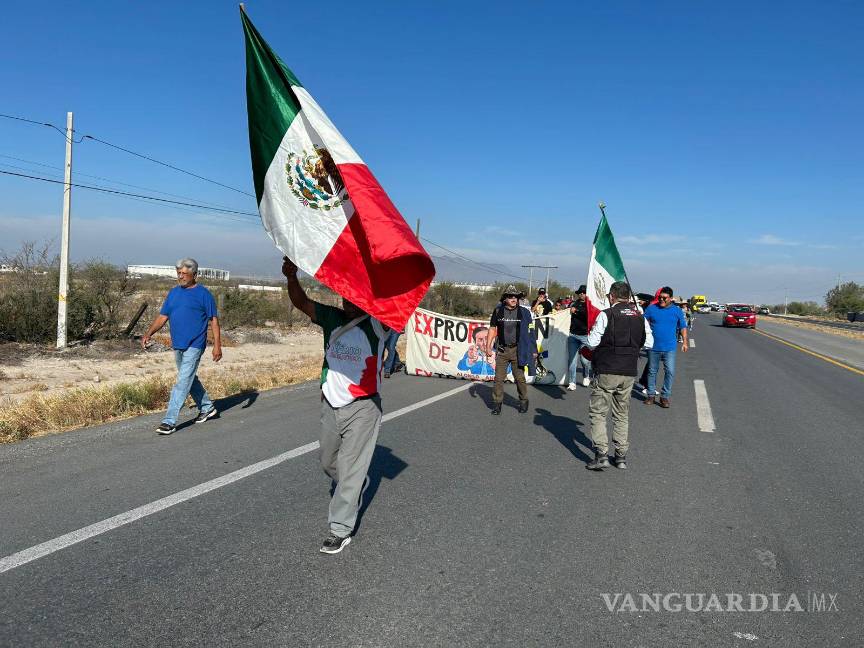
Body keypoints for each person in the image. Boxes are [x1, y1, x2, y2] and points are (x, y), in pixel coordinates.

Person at [281, 256, 388, 555]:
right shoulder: (331, 318)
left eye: (356, 297)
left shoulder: (378, 324)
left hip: (363, 407)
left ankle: (339, 529)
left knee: (351, 467)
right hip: (331, 403)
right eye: (346, 295)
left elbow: (394, 309)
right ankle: (353, 486)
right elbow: (302, 302)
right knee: (329, 461)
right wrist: (291, 277)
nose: (349, 301)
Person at [142, 258, 222, 435]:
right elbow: (163, 317)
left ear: (195, 275)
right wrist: (149, 333)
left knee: (182, 382)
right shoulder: (173, 293)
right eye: (179, 273)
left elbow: (214, 321)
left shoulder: (204, 294)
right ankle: (207, 407)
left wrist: (217, 346)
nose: (181, 276)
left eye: (185, 273)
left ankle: (169, 421)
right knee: (189, 378)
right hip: (178, 343)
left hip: (195, 344)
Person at [584, 281, 653, 470]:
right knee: (621, 414)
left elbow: (592, 342)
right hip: (629, 372)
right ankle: (621, 456)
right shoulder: (640, 317)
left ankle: (601, 455)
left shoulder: (606, 314)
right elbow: (649, 343)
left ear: (611, 296)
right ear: (628, 297)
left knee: (598, 412)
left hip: (607, 369)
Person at [486, 285, 535, 414]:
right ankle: (497, 404)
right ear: (505, 299)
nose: (514, 299)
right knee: (498, 379)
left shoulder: (524, 312)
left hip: (518, 350)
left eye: (516, 297)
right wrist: (488, 347)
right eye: (510, 296)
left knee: (519, 378)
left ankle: (523, 400)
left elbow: (531, 331)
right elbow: (492, 329)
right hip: (502, 350)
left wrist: (533, 349)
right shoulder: (498, 311)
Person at [643, 286, 688, 408]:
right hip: (653, 347)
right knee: (652, 371)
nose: (661, 300)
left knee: (670, 372)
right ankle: (650, 395)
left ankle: (664, 396)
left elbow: (683, 327)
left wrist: (685, 342)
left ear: (671, 298)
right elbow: (643, 323)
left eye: (665, 298)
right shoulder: (651, 309)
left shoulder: (677, 311)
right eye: (660, 297)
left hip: (669, 347)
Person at [566, 284, 592, 390]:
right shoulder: (573, 303)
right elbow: (566, 314)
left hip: (585, 336)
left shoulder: (590, 305)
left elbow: (588, 315)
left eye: (584, 292)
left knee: (585, 360)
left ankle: (586, 376)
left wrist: (576, 311)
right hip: (573, 335)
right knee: (572, 360)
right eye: (580, 292)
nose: (581, 294)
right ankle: (572, 382)